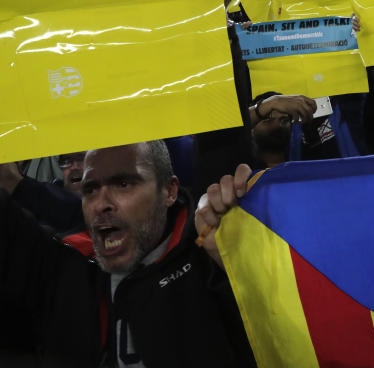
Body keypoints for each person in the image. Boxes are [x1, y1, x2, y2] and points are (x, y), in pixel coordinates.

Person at [0, 142, 255, 366]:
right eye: (90, 189)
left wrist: (241, 258)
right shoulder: (66, 264)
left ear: (169, 191)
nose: (101, 204)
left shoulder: (211, 257)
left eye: (123, 184)